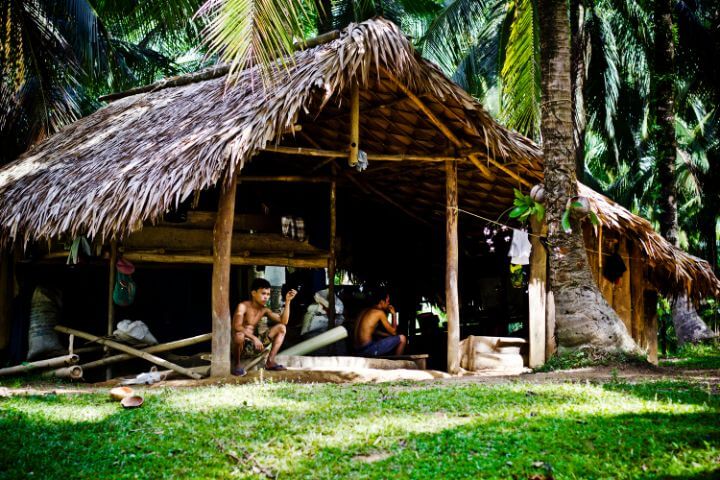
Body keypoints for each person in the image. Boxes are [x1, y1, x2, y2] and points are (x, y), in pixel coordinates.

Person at [232, 278, 297, 376]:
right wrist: (254, 338)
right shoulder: (243, 306)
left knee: (281, 328)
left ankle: (270, 362)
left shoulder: (264, 310)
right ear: (254, 293)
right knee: (239, 335)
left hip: (254, 346)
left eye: (268, 294)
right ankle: (237, 365)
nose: (266, 297)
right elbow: (236, 326)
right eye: (263, 293)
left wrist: (288, 301)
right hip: (239, 347)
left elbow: (284, 321)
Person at [353, 289, 406, 357]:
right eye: (388, 301)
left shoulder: (363, 311)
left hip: (357, 350)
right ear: (381, 302)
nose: (388, 304)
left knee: (380, 338)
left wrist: (386, 335)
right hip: (368, 349)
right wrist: (393, 314)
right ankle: (397, 364)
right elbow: (394, 332)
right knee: (402, 338)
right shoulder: (379, 313)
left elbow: (372, 330)